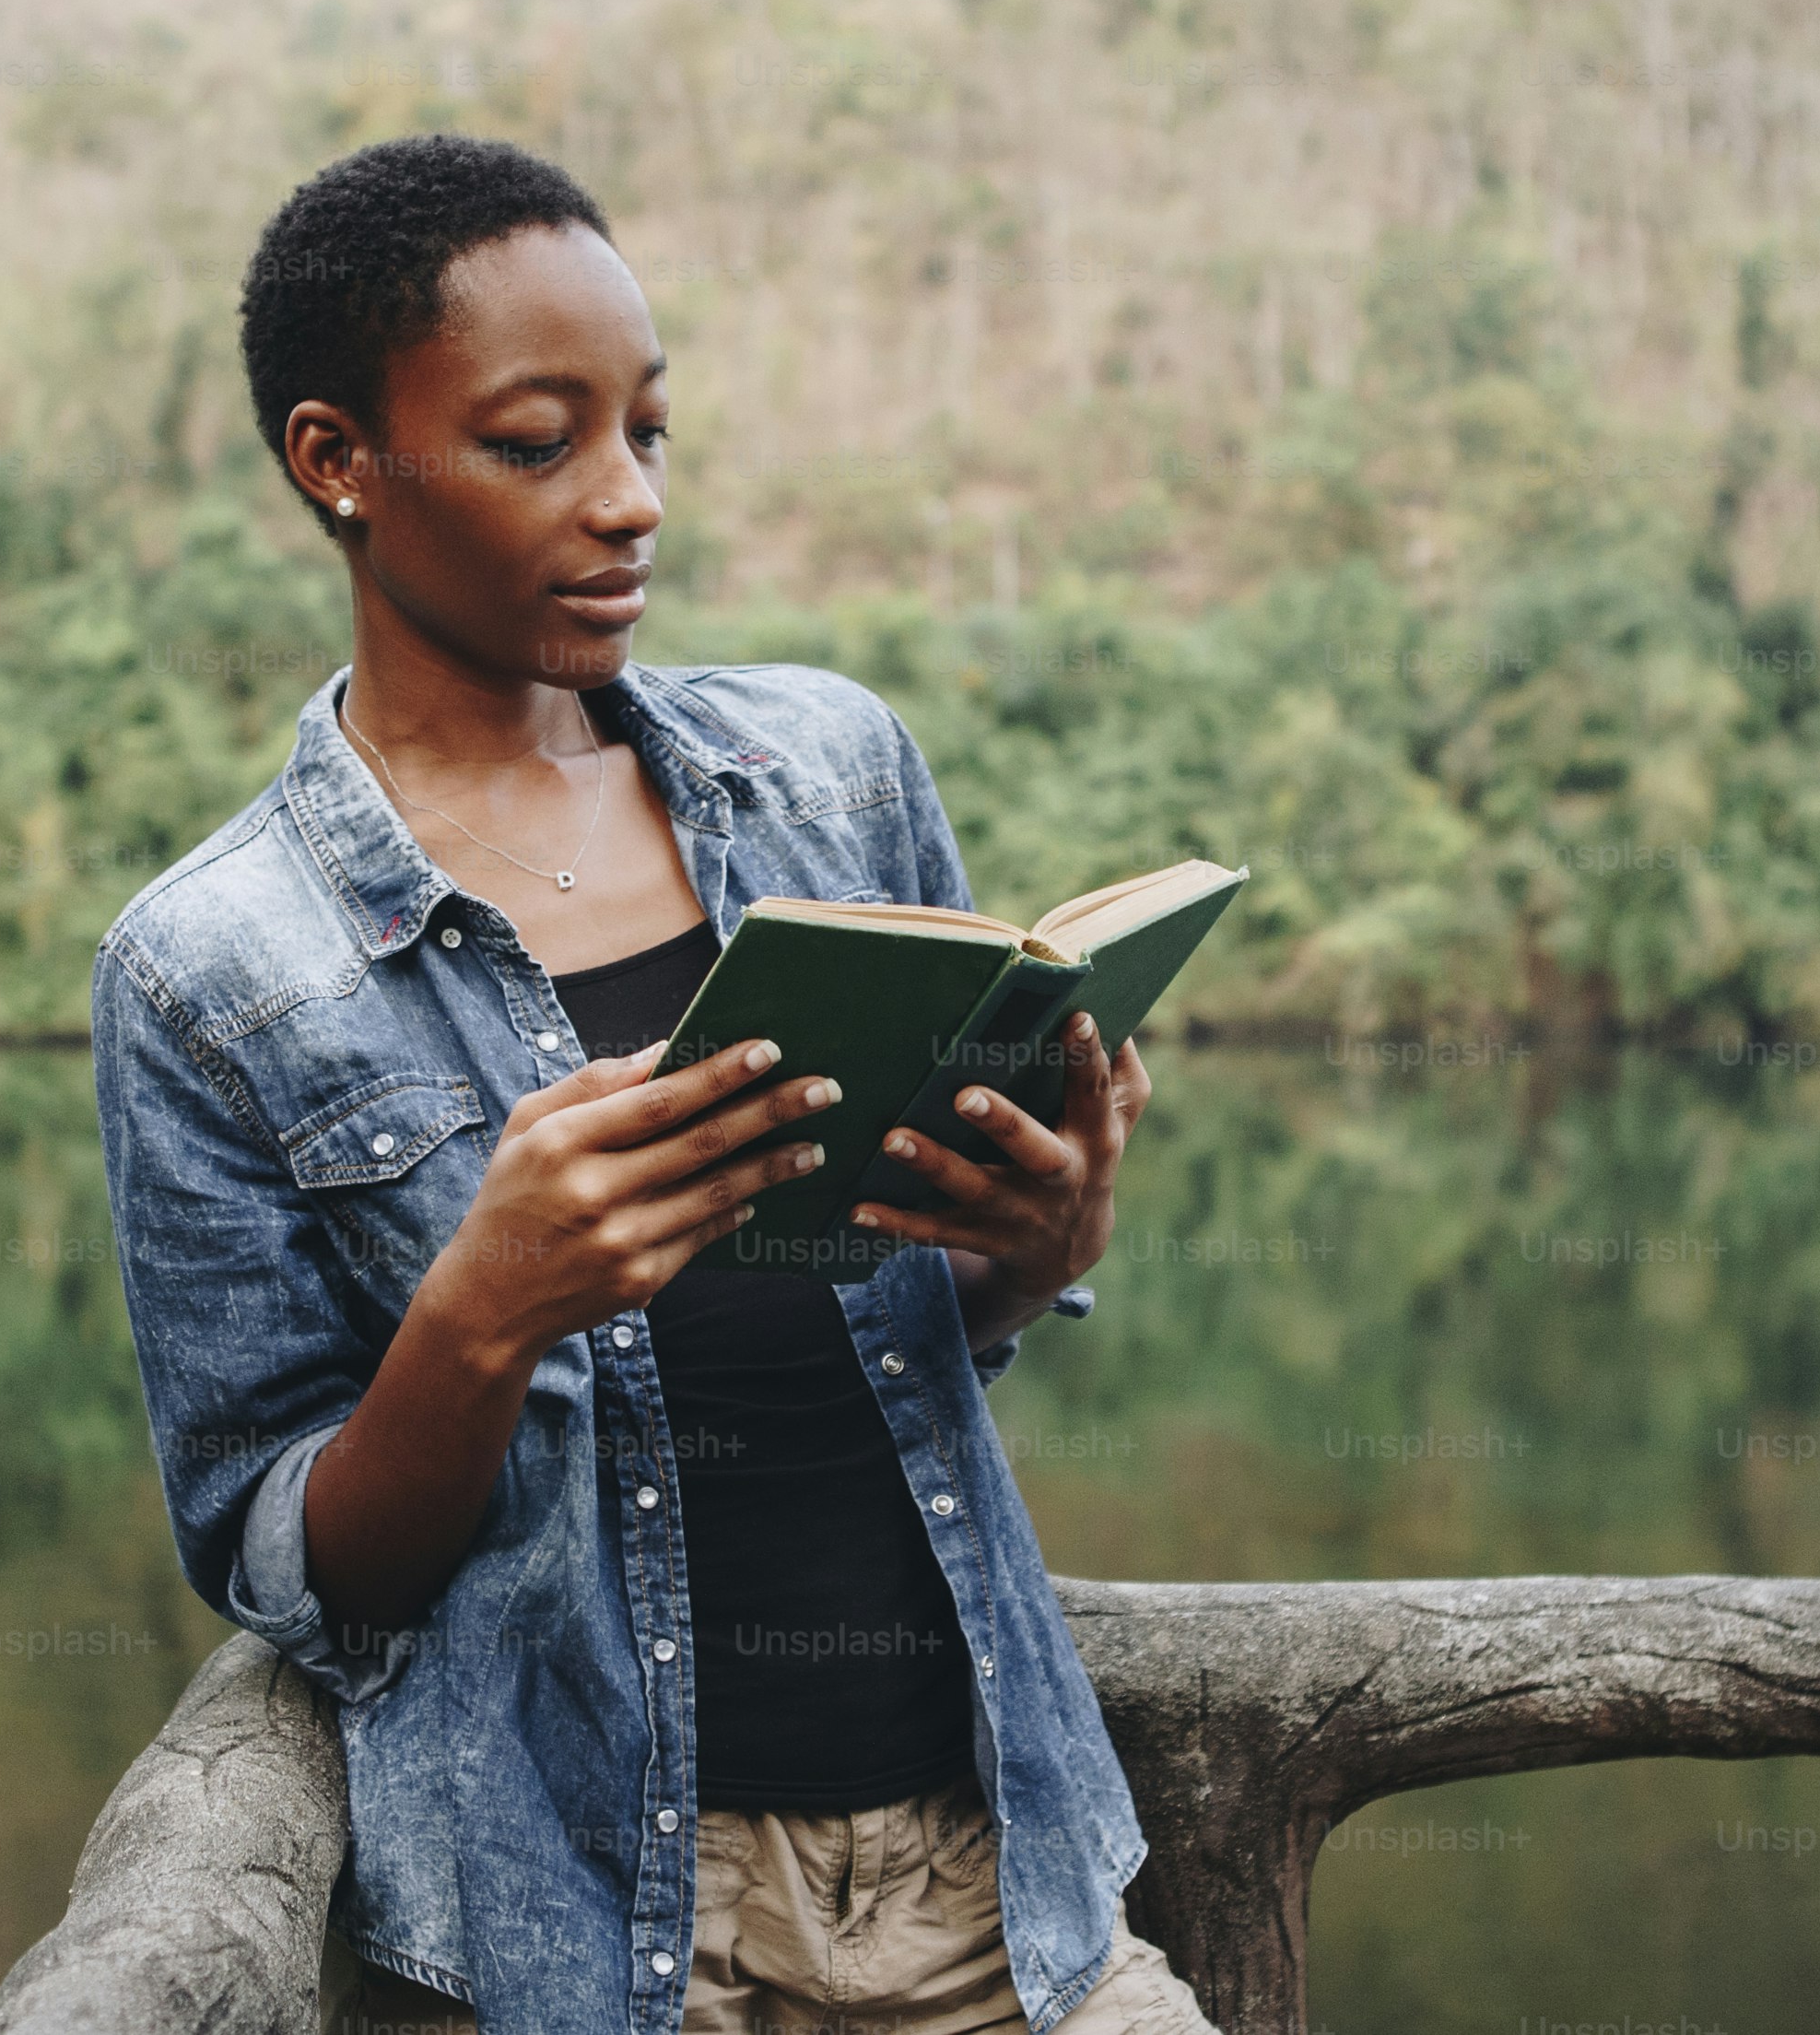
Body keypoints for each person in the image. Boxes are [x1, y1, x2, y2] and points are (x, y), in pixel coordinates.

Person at [92, 135, 1220, 2035]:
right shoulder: (212, 970)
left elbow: (923, 1324)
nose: (628, 502)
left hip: (995, 1876)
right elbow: (291, 1566)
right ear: (334, 461)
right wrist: (483, 1312)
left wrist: (1032, 1244)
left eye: (651, 432)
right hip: (586, 1935)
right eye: (541, 442)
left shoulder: (833, 773)